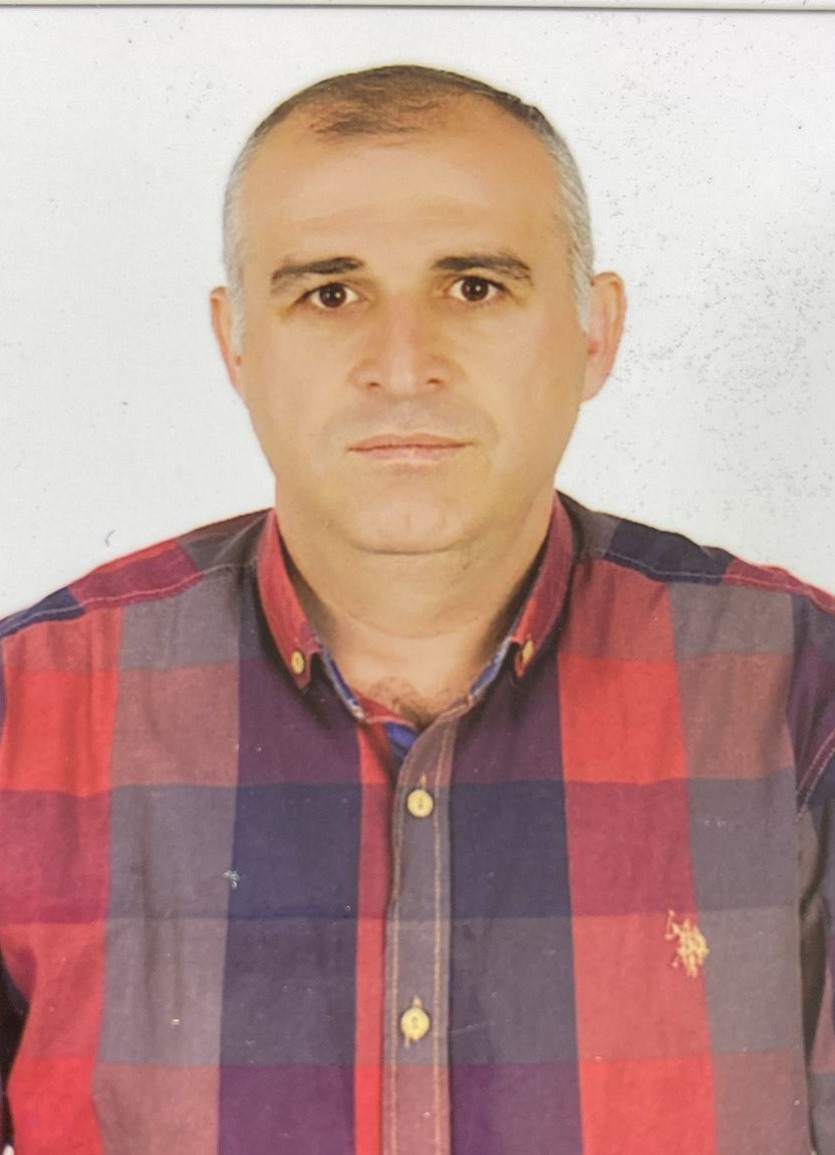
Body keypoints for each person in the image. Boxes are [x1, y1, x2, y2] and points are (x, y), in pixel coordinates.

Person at [0, 63, 832, 1155]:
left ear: (596, 332)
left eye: (474, 288)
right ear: (236, 341)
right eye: (329, 294)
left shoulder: (802, 697)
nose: (401, 367)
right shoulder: (24, 715)